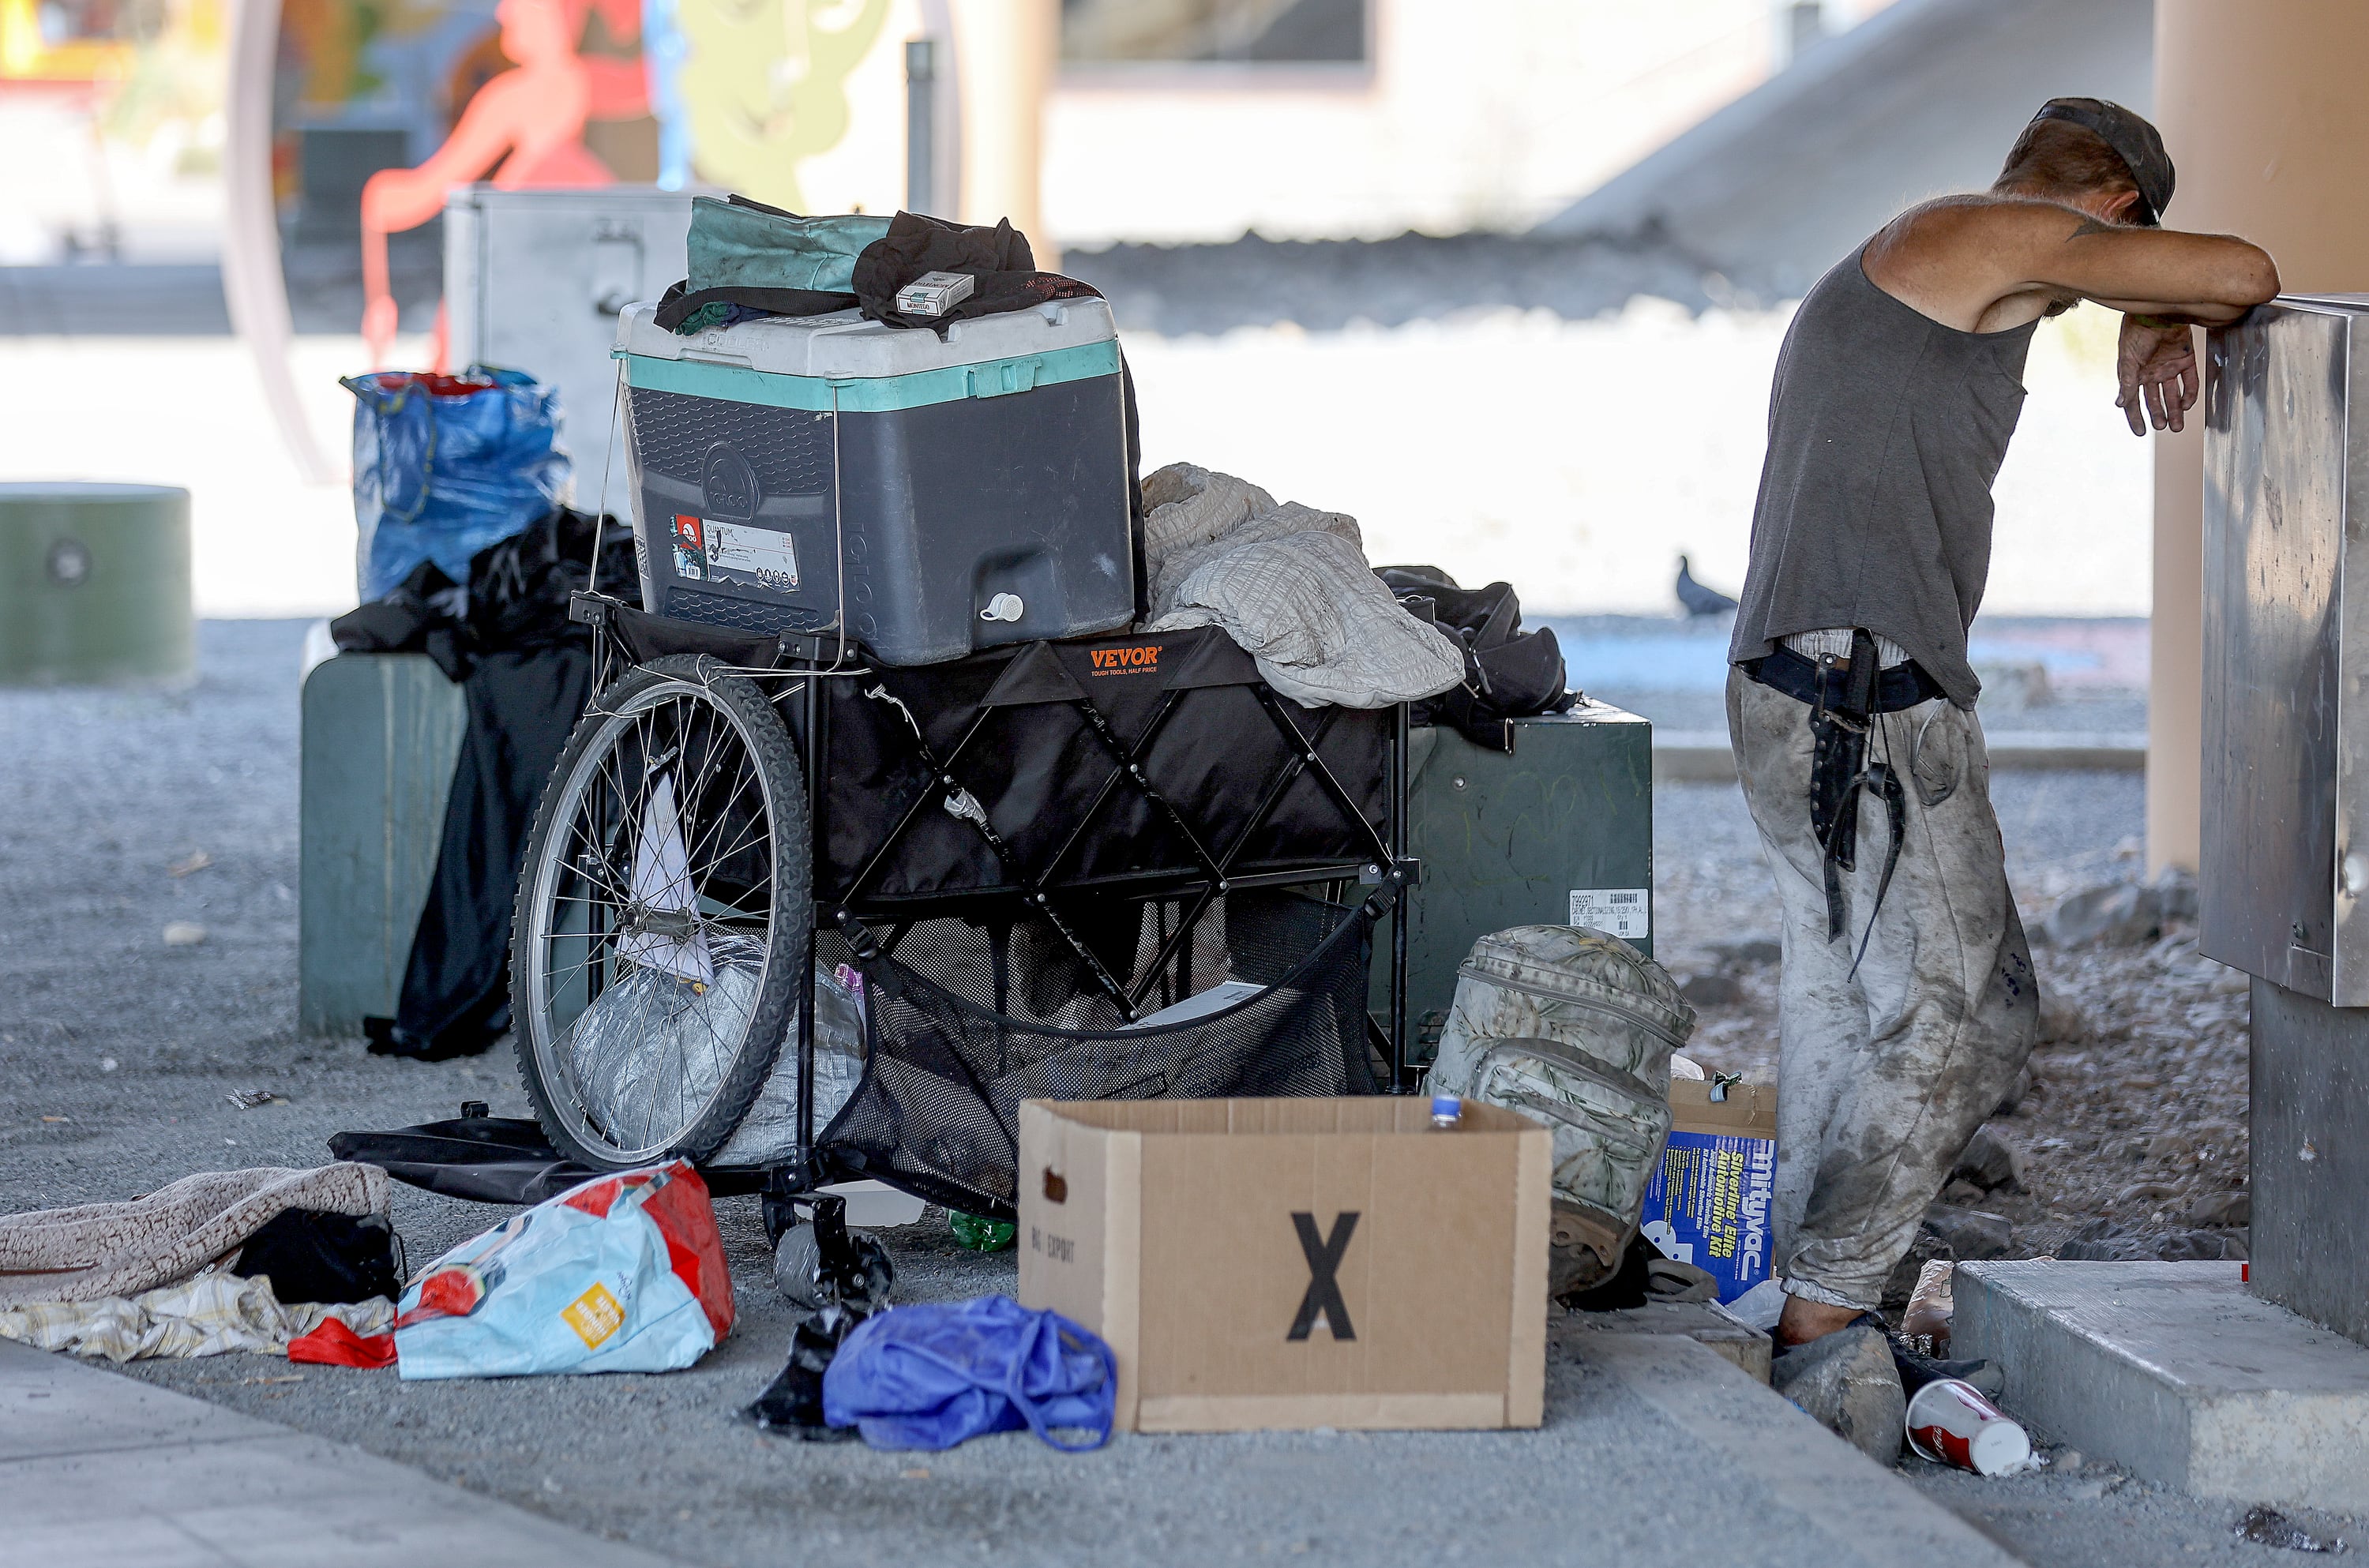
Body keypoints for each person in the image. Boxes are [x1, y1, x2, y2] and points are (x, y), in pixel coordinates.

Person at [1724, 100, 2279, 1387]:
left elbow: (2105, 275)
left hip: (1793, 688)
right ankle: (1824, 1307)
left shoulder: (1930, 261)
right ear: (2116, 212)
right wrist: (2162, 299)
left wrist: (2138, 304)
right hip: (1868, 704)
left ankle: (1779, 1292)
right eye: (2116, 266)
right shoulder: (1971, 237)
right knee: (1968, 1015)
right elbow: (2243, 274)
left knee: (1840, 1005)